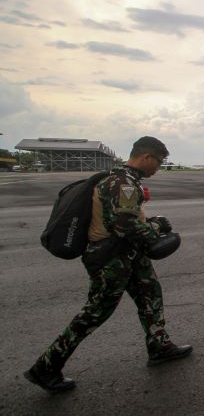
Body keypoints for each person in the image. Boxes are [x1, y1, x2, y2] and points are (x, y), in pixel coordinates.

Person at [25, 136, 192, 393]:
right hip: (112, 258)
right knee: (95, 312)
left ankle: (159, 346)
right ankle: (45, 368)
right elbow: (124, 226)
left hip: (129, 255)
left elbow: (121, 217)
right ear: (146, 157)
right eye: (158, 161)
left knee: (150, 295)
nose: (158, 167)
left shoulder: (117, 177)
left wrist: (149, 222)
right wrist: (156, 228)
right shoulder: (124, 183)